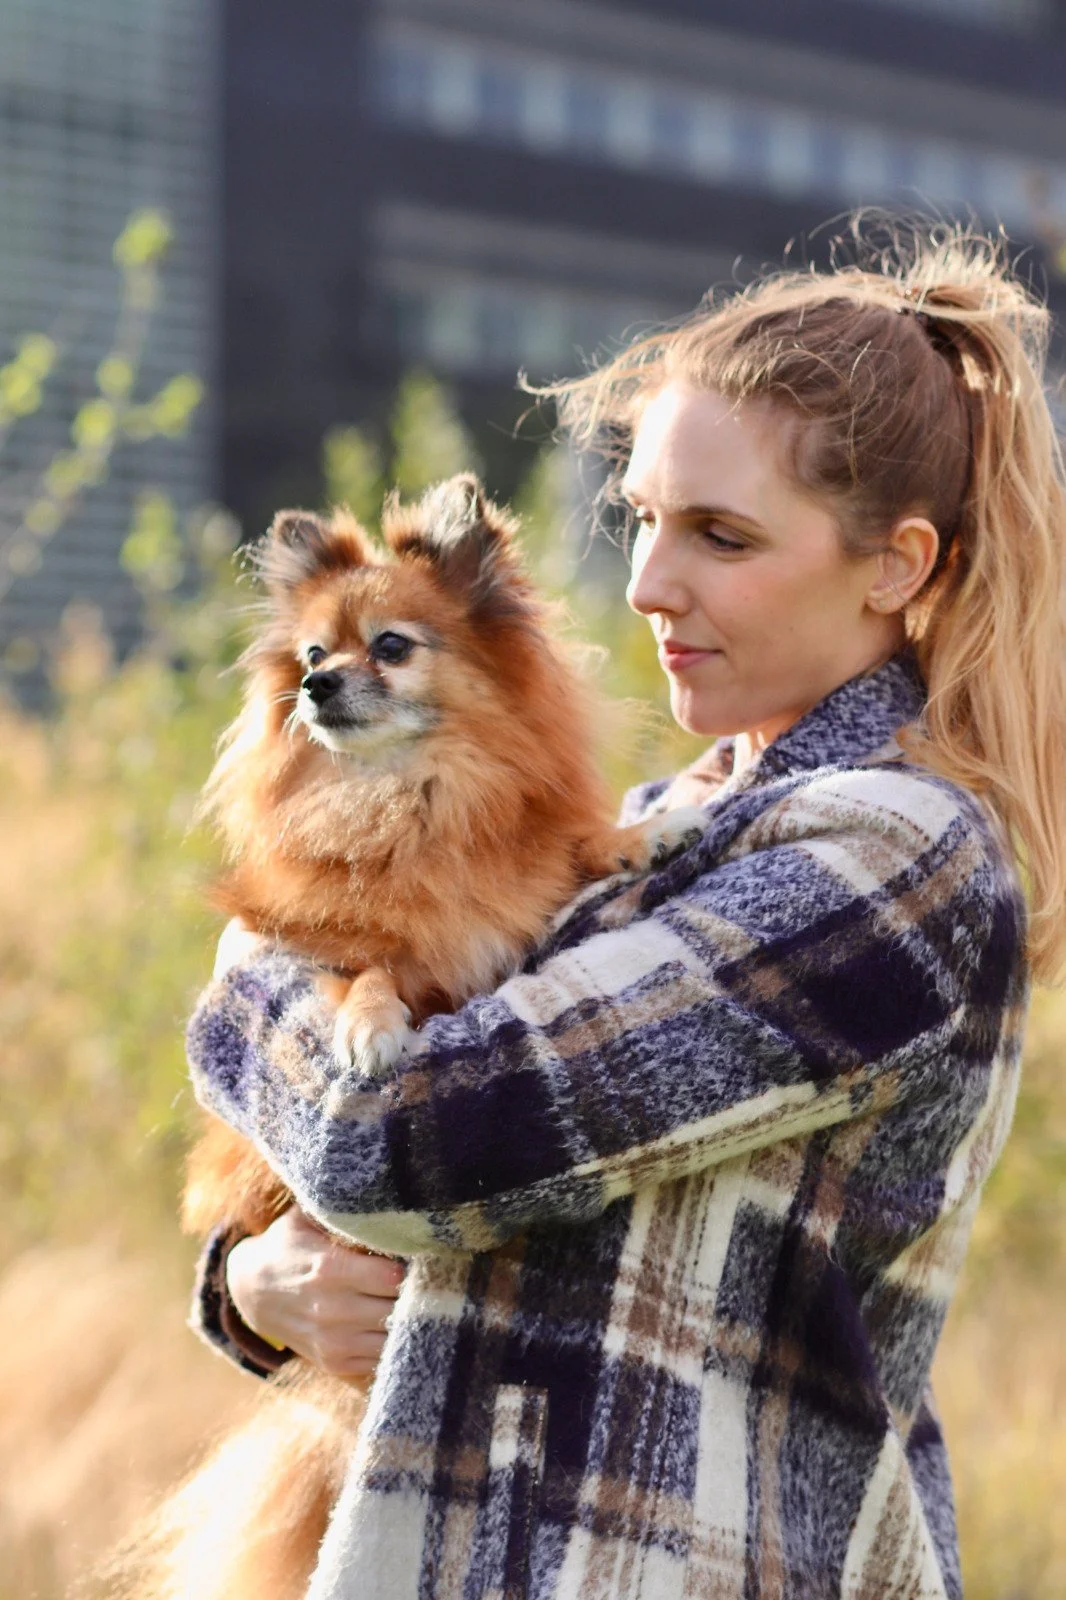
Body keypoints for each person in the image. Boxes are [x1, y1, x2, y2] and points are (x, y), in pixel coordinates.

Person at [186, 226, 1066, 1599]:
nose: (651, 585)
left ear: (893, 565)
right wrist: (252, 1290)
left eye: (719, 536)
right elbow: (362, 1201)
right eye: (645, 519)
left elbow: (402, 1134)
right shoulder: (654, 828)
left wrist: (247, 963)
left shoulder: (890, 863)